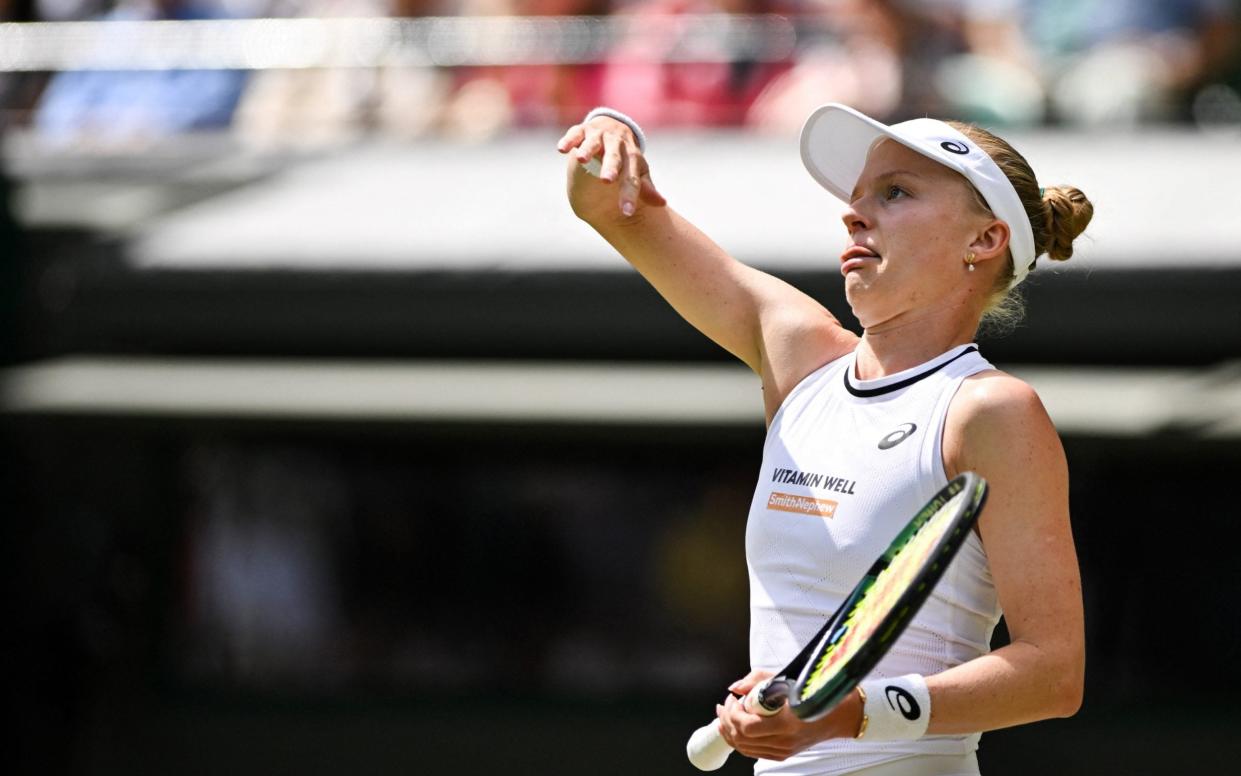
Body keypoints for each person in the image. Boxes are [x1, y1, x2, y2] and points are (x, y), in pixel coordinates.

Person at [557, 103, 1091, 775]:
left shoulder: (990, 411)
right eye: (856, 195)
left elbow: (1052, 674)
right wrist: (608, 133)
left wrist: (849, 711)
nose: (852, 212)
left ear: (982, 240)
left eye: (894, 192)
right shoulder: (801, 359)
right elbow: (612, 207)